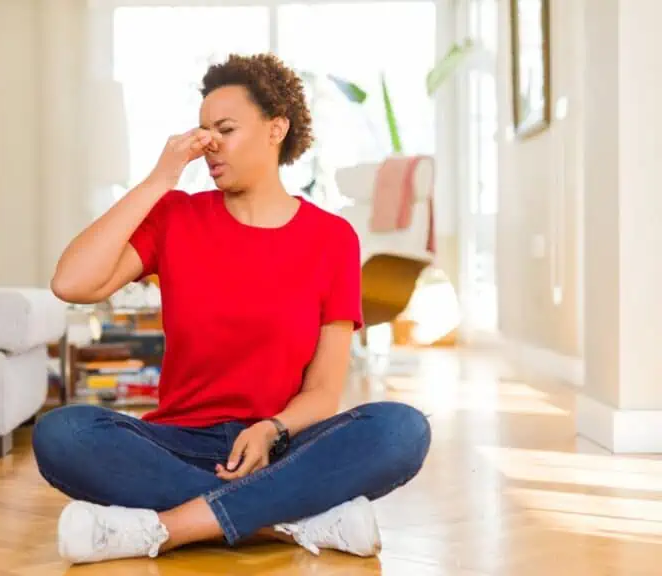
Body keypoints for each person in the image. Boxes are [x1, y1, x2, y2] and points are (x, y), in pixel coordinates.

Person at [34, 53, 431, 565]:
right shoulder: (176, 217)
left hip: (282, 447)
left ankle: (168, 528)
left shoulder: (332, 239)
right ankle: (291, 522)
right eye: (203, 132)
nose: (210, 145)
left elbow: (324, 392)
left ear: (276, 128)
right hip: (176, 442)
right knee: (62, 433)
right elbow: (71, 282)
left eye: (225, 128)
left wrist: (272, 429)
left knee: (402, 429)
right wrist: (160, 179)